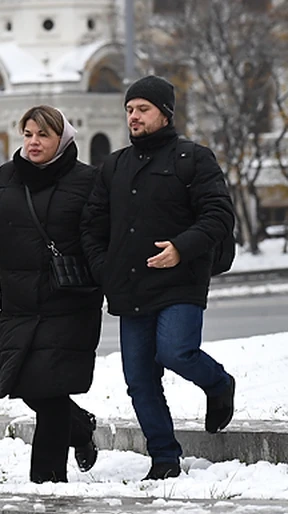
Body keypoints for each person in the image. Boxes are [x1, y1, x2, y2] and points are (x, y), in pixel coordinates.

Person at [81, 75, 236, 481]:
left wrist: (181, 248)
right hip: (129, 287)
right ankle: (164, 458)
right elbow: (92, 227)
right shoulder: (114, 165)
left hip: (181, 280)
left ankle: (219, 384)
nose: (133, 116)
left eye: (142, 109)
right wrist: (105, 269)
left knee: (175, 351)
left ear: (165, 113)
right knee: (139, 380)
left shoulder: (194, 158)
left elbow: (218, 215)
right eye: (129, 109)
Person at [0, 106, 103, 484]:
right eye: (28, 134)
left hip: (68, 301)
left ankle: (47, 484)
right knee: (22, 384)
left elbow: (104, 240)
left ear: (62, 140)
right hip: (19, 302)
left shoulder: (88, 182)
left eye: (43, 135)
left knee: (49, 393)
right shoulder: (5, 179)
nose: (33, 142)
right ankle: (80, 428)